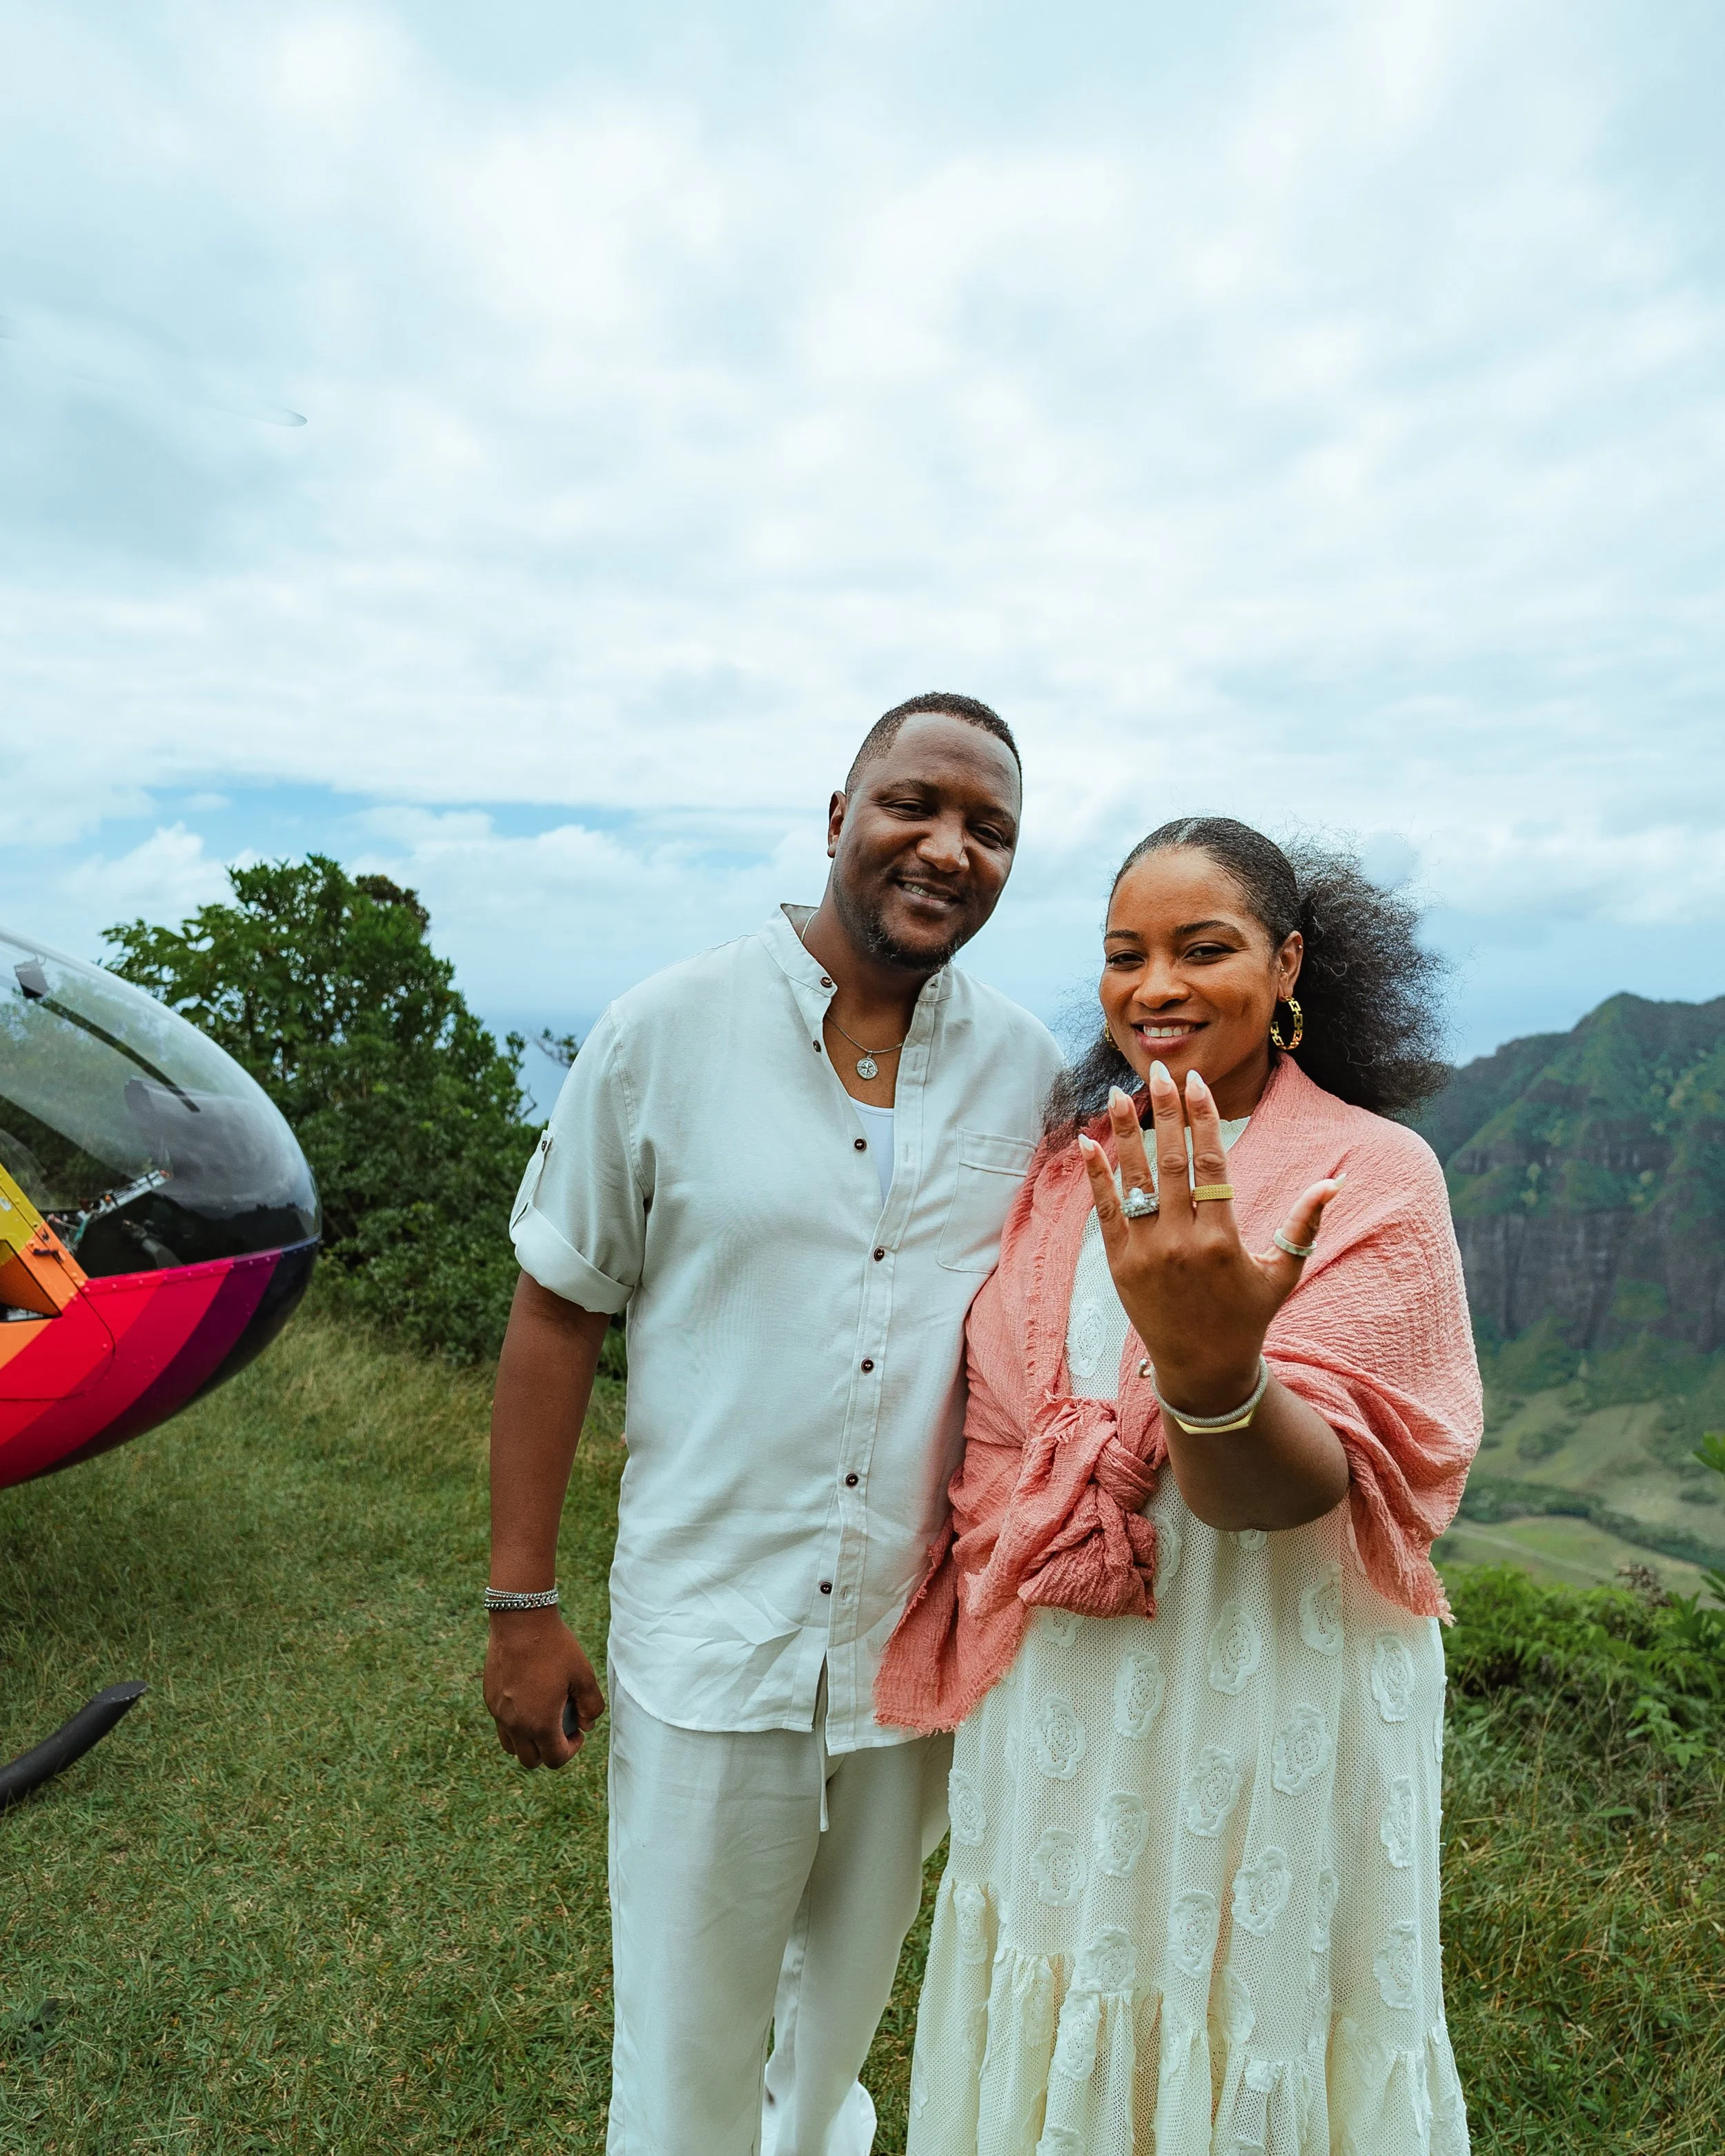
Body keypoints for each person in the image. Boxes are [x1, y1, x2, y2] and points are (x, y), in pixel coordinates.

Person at [484, 693, 1065, 2156]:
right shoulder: (662, 1030)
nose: (945, 846)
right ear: (835, 816)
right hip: (710, 1640)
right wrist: (520, 1604)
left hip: (910, 1655)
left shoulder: (1025, 1074)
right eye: (912, 803)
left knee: (830, 2053)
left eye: (987, 828)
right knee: (686, 2060)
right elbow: (558, 1307)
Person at [876, 817, 1481, 2156]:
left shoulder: (1369, 1173)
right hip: (1065, 1698)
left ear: (1287, 965)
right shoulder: (1067, 1172)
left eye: (1201, 948)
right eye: (1121, 954)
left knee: (1243, 2002)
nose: (1153, 985)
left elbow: (1287, 1490)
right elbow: (1000, 1450)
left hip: (1268, 1688)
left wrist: (1208, 1368)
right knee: (1063, 1975)